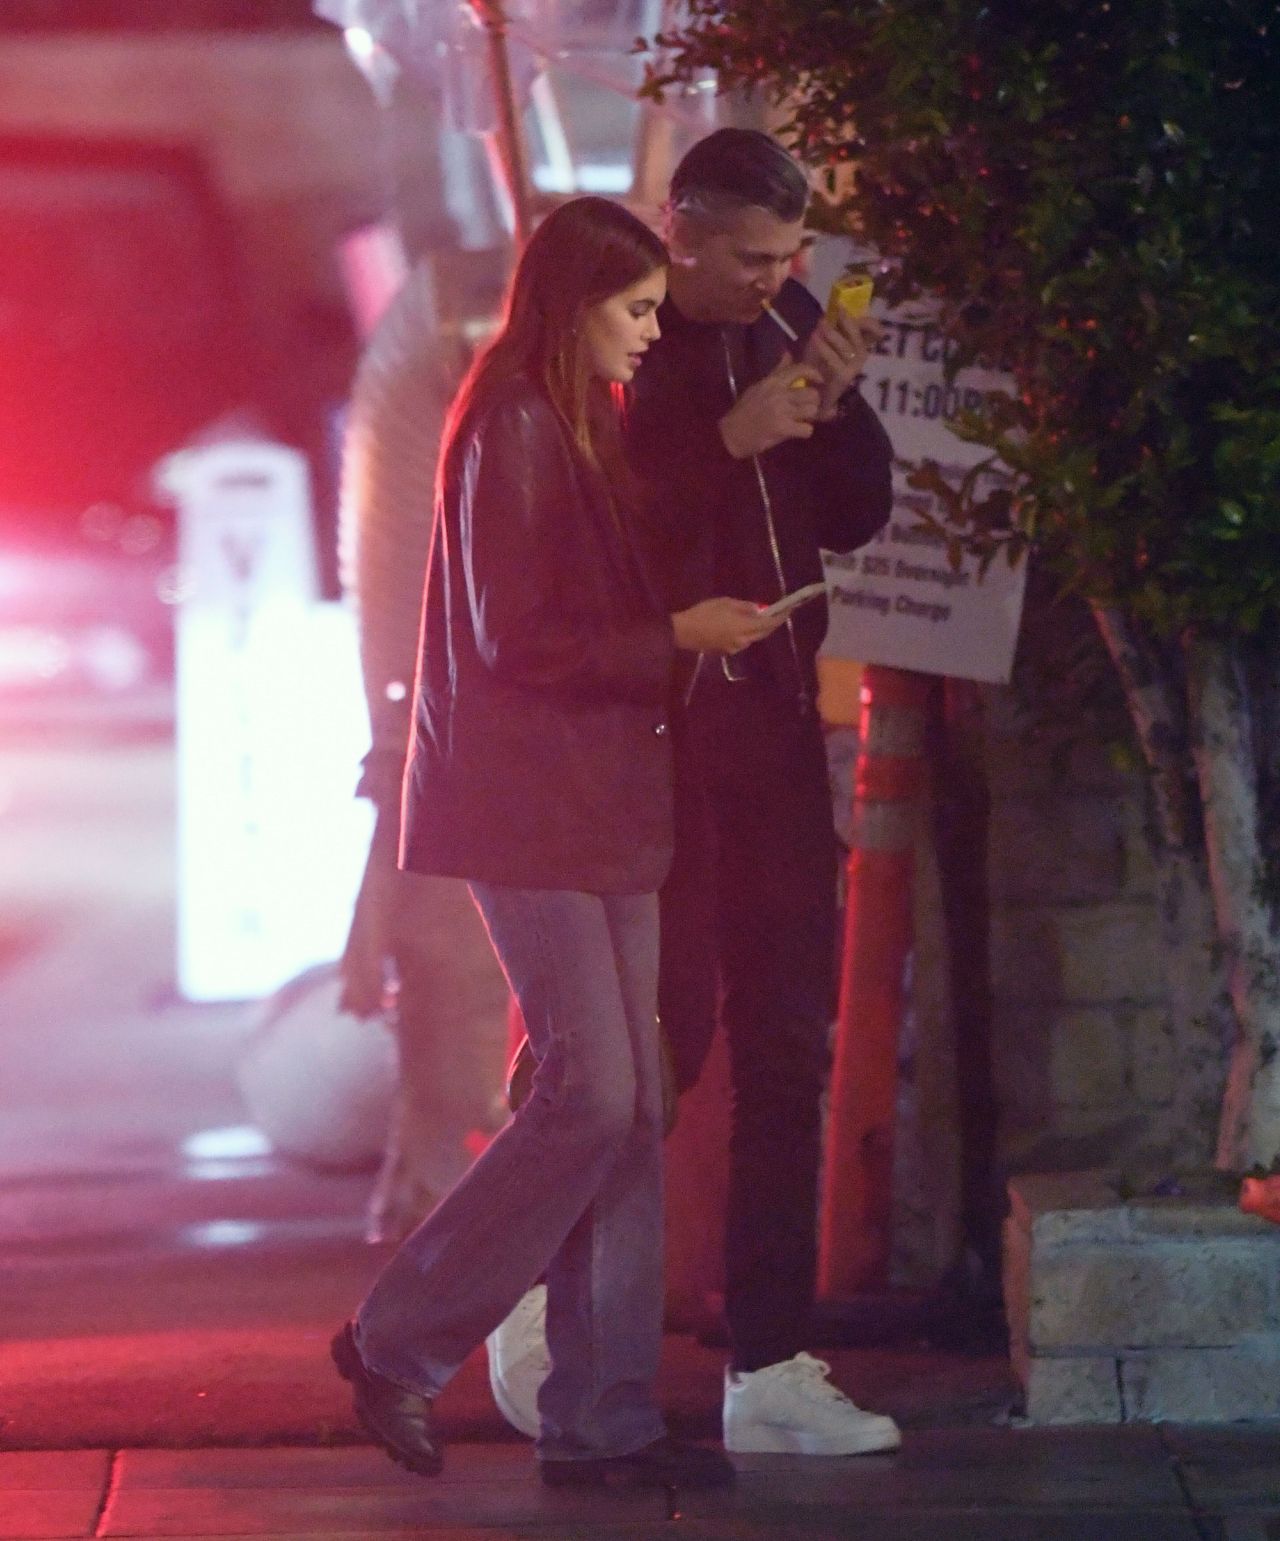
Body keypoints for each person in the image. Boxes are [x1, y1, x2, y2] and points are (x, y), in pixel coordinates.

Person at [331, 194, 782, 1488]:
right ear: (576, 300)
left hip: (603, 804)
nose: (649, 332)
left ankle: (607, 1417)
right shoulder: (515, 423)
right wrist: (676, 639)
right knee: (593, 1090)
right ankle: (397, 1338)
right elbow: (513, 637)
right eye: (635, 309)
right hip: (529, 808)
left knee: (627, 1106)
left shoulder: (582, 418)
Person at [488, 131, 902, 1458]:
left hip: (777, 722)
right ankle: (530, 1296)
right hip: (659, 737)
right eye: (755, 257)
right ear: (689, 232)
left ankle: (769, 1359)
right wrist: (729, 436)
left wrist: (826, 406)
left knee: (788, 1028)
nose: (779, 277)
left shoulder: (785, 320)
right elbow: (600, 537)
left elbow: (853, 515)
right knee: (649, 1042)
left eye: (795, 256)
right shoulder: (630, 343)